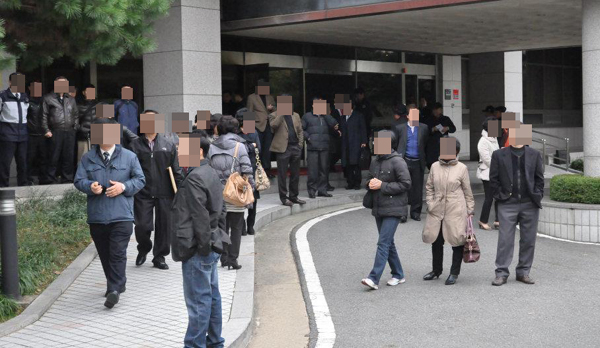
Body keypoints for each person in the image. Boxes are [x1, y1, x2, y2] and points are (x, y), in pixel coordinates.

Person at [74, 117, 145, 308]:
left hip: (121, 215)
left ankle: (114, 289)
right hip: (97, 216)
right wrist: (90, 186)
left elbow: (140, 180)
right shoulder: (88, 157)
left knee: (117, 253)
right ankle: (114, 284)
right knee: (105, 254)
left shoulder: (129, 157)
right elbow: (78, 180)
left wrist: (123, 186)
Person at [171, 133, 225, 348]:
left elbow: (199, 218)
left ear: (198, 151)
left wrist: (201, 248)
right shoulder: (209, 171)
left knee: (199, 302)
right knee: (212, 298)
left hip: (198, 247)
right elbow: (219, 211)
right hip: (212, 242)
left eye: (182, 149)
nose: (177, 152)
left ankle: (194, 345)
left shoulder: (194, 178)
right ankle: (215, 342)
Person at [130, 109, 184, 270]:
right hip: (142, 192)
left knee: (164, 226)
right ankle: (143, 248)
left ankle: (159, 256)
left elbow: (177, 171)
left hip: (164, 192)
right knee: (142, 226)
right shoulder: (134, 146)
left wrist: (181, 192)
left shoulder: (168, 145)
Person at [490, 127, 544, 286]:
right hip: (508, 203)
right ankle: (501, 272)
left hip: (529, 204)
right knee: (505, 240)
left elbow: (539, 179)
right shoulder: (499, 154)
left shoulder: (534, 154)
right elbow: (493, 180)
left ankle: (523, 272)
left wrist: (537, 194)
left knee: (528, 240)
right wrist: (500, 196)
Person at [361, 130, 411, 290]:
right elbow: (368, 178)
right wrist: (369, 183)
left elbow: (406, 184)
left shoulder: (398, 162)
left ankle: (373, 278)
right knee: (388, 243)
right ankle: (398, 274)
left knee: (383, 243)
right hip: (378, 207)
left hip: (394, 208)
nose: (375, 144)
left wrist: (382, 185)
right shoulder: (375, 161)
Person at [422, 138, 475, 285]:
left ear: (456, 151)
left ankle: (454, 272)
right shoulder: (434, 166)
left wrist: (470, 210)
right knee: (436, 240)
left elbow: (467, 191)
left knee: (457, 241)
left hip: (455, 208)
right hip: (437, 208)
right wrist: (430, 203)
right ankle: (436, 270)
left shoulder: (462, 168)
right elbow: (429, 187)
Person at [208, 116, 254, 270]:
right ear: (235, 129)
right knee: (236, 226)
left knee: (222, 226)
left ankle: (224, 257)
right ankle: (233, 260)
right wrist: (250, 190)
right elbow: (247, 170)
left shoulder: (210, 147)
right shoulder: (239, 147)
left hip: (217, 193)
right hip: (235, 193)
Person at [393, 108, 429, 222]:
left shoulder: (424, 128)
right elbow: (395, 144)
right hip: (404, 161)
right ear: (408, 116)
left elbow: (426, 144)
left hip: (418, 161)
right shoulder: (400, 128)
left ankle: (415, 212)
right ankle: (402, 213)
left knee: (417, 189)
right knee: (403, 188)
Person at [269, 95, 306, 206]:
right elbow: (273, 127)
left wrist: (300, 145)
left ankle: (294, 196)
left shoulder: (296, 115)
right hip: (282, 149)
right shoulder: (273, 115)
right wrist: (281, 113)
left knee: (295, 174)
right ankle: (284, 198)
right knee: (282, 175)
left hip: (295, 147)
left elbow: (300, 131)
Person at [42, 76, 80, 183]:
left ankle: (67, 178)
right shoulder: (48, 98)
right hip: (55, 131)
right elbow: (43, 115)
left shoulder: (71, 99)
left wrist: (75, 127)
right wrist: (46, 130)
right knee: (53, 156)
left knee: (68, 156)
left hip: (69, 131)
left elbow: (76, 114)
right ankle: (50, 179)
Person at [302, 96, 339, 198]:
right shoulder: (307, 116)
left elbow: (335, 124)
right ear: (313, 105)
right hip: (312, 147)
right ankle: (312, 190)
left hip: (324, 147)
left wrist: (325, 114)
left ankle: (322, 190)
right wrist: (308, 138)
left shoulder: (326, 117)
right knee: (313, 171)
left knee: (324, 170)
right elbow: (301, 129)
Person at [0, 72, 29, 187]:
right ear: (10, 82)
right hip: (7, 135)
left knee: (22, 162)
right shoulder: (3, 96)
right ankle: (3, 186)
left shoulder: (25, 96)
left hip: (23, 135)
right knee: (5, 163)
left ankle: (23, 185)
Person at [235, 108, 261, 236]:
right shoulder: (239, 133)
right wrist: (252, 146)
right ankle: (246, 226)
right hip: (245, 171)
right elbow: (254, 148)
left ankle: (248, 227)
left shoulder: (250, 132)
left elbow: (258, 148)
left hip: (246, 170)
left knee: (248, 200)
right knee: (246, 199)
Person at [247, 80, 276, 176]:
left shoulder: (270, 97)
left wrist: (271, 109)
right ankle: (257, 170)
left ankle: (267, 170)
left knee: (268, 149)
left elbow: (276, 110)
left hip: (268, 126)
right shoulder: (252, 97)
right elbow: (249, 112)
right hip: (257, 125)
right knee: (258, 149)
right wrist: (248, 129)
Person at [476, 118, 500, 230]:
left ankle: (498, 220)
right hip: (487, 173)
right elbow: (487, 160)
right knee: (489, 198)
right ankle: (483, 220)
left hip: (496, 172)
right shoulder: (483, 141)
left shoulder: (494, 138)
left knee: (499, 197)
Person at [26, 81, 51, 185]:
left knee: (44, 158)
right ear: (29, 88)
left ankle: (44, 179)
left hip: (43, 135)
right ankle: (27, 179)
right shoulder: (26, 101)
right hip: (30, 135)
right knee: (29, 159)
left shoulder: (44, 101)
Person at [340, 97, 368, 190]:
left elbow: (363, 129)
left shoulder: (358, 115)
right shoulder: (343, 118)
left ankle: (357, 183)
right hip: (346, 144)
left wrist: (364, 141)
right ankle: (350, 183)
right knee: (347, 165)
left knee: (356, 164)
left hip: (356, 143)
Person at [422, 102, 456, 169]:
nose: (436, 111)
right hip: (433, 143)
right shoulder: (429, 119)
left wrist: (447, 128)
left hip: (445, 142)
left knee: (448, 164)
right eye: (434, 110)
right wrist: (432, 129)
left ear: (441, 110)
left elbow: (453, 129)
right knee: (432, 164)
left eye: (437, 109)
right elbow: (424, 131)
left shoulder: (446, 119)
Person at [77, 84, 103, 163]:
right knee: (82, 159)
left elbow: (109, 121)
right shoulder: (78, 105)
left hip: (98, 135)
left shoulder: (101, 104)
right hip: (83, 136)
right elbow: (74, 120)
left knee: (99, 159)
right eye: (88, 91)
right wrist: (80, 129)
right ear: (84, 92)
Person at [328, 99, 343, 190]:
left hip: (338, 137)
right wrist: (337, 132)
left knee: (338, 153)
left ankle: (331, 166)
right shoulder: (331, 114)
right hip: (331, 139)